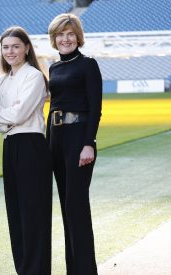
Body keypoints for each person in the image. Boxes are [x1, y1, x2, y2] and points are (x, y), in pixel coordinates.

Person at [0, 26, 52, 274]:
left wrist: (3, 115)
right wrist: (5, 116)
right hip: (10, 145)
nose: (10, 51)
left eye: (15, 46)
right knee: (15, 212)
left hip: (31, 146)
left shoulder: (34, 76)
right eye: (6, 47)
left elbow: (19, 113)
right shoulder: (1, 81)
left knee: (33, 214)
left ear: (27, 48)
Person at [47, 13, 102, 275]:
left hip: (79, 140)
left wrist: (88, 143)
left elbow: (95, 108)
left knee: (76, 206)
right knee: (66, 207)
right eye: (60, 34)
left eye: (70, 34)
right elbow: (53, 108)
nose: (65, 39)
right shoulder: (54, 68)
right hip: (56, 140)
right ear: (54, 38)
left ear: (77, 37)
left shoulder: (88, 64)